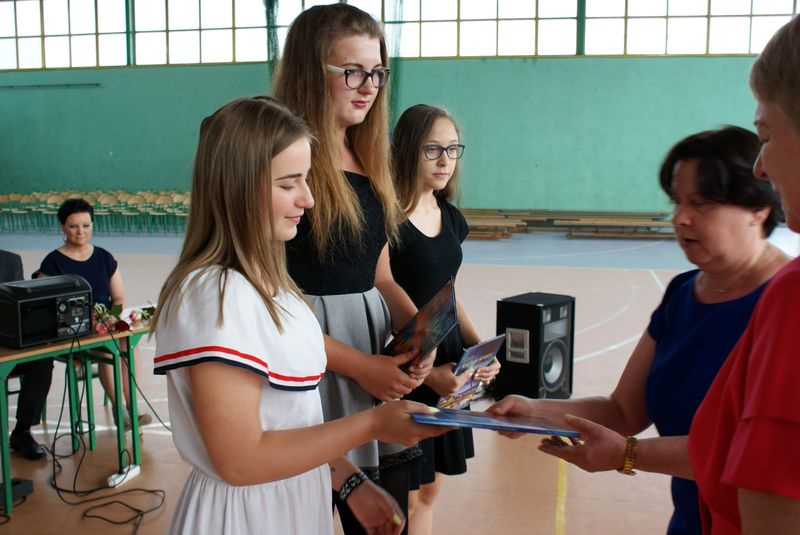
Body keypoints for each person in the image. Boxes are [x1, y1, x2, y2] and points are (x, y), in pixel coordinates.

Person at [152, 95, 444, 534]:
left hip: (291, 501)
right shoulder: (215, 296)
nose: (308, 199)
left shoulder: (276, 289)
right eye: (289, 184)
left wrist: (348, 480)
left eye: (305, 179)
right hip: (245, 518)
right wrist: (370, 424)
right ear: (239, 187)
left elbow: (290, 419)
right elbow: (240, 460)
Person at [489, 125, 789, 535]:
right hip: (690, 521)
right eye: (677, 202)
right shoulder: (683, 293)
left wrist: (628, 454)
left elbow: (750, 452)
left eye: (701, 204)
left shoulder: (785, 304)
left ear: (759, 209)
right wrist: (534, 410)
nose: (680, 218)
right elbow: (624, 411)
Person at [272, 5, 432, 532]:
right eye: (352, 72)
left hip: (369, 367)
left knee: (387, 519)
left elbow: (379, 276)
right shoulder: (285, 164)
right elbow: (270, 304)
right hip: (310, 368)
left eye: (378, 73)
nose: (369, 88)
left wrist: (419, 332)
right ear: (309, 70)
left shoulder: (369, 156)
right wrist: (361, 366)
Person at [687, 16, 800, 534]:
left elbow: (774, 506)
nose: (761, 166)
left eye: (766, 136)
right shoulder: (687, 293)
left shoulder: (790, 297)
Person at [389, 104, 500, 534]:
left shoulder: (451, 218)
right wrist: (427, 371)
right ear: (406, 151)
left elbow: (450, 293)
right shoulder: (386, 219)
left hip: (450, 363)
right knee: (401, 495)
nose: (444, 160)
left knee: (430, 491)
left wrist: (480, 348)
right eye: (432, 149)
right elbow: (379, 301)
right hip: (407, 360)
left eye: (453, 149)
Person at [35, 199, 152, 431]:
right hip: (72, 333)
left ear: (92, 225)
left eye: (86, 225)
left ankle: (132, 407)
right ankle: (120, 412)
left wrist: (110, 317)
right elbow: (43, 304)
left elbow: (118, 298)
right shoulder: (52, 263)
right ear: (63, 227)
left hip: (104, 326)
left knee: (128, 344)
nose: (81, 232)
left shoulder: (104, 258)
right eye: (73, 226)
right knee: (108, 347)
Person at [1, 249, 52, 460]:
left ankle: (22, 431)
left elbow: (20, 306)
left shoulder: (11, 261)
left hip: (8, 343)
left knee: (42, 361)